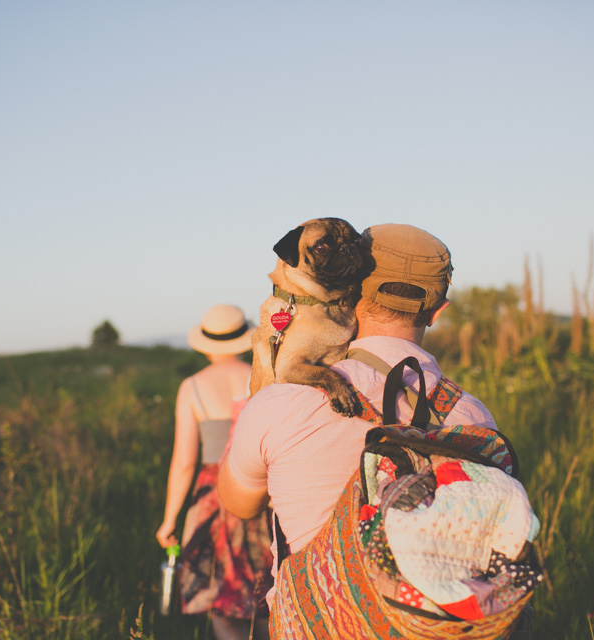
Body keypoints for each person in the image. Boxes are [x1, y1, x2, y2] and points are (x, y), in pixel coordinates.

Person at [218, 223, 498, 608]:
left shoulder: (282, 400)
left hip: (317, 618)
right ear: (437, 312)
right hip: (424, 622)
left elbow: (239, 504)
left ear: (354, 288)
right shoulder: (472, 416)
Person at [156, 304, 273, 640]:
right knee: (267, 591)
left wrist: (169, 520)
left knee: (221, 598)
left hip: (215, 494)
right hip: (262, 487)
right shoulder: (264, 377)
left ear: (206, 344)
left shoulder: (192, 387)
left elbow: (184, 463)